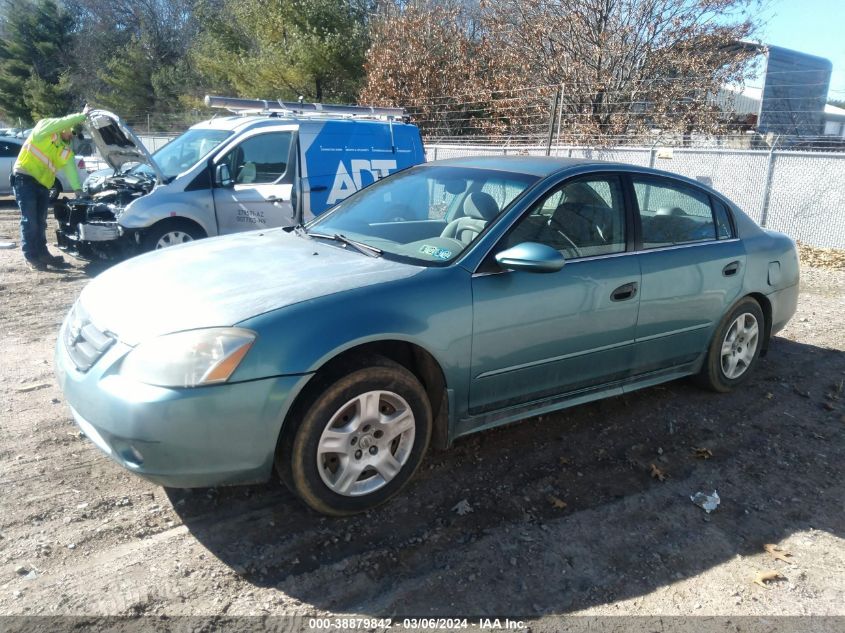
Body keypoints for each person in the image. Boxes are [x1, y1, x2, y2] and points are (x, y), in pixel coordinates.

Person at [12, 105, 91, 270]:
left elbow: (70, 168)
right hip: (24, 178)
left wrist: (78, 189)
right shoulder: (45, 128)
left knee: (40, 222)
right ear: (64, 129)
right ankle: (31, 256)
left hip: (42, 185)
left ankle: (42, 253)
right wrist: (82, 116)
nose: (72, 136)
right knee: (30, 221)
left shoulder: (65, 149)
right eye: (71, 132)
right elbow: (63, 121)